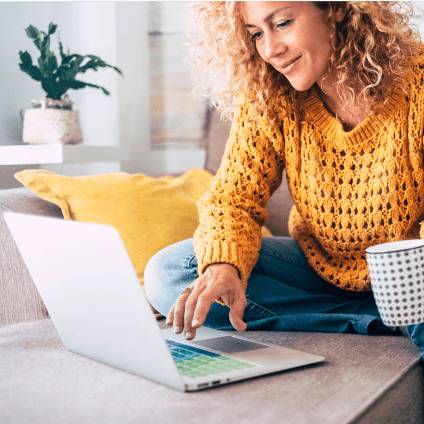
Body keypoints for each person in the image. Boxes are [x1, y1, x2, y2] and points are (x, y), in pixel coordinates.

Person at [144, 1, 424, 356]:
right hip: (319, 265)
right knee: (170, 272)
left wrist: (408, 276)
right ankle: (377, 319)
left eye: (283, 23)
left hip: (412, 272)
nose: (271, 49)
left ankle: (400, 313)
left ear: (337, 9)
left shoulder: (418, 80)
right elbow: (232, 201)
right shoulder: (270, 94)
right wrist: (224, 265)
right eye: (257, 33)